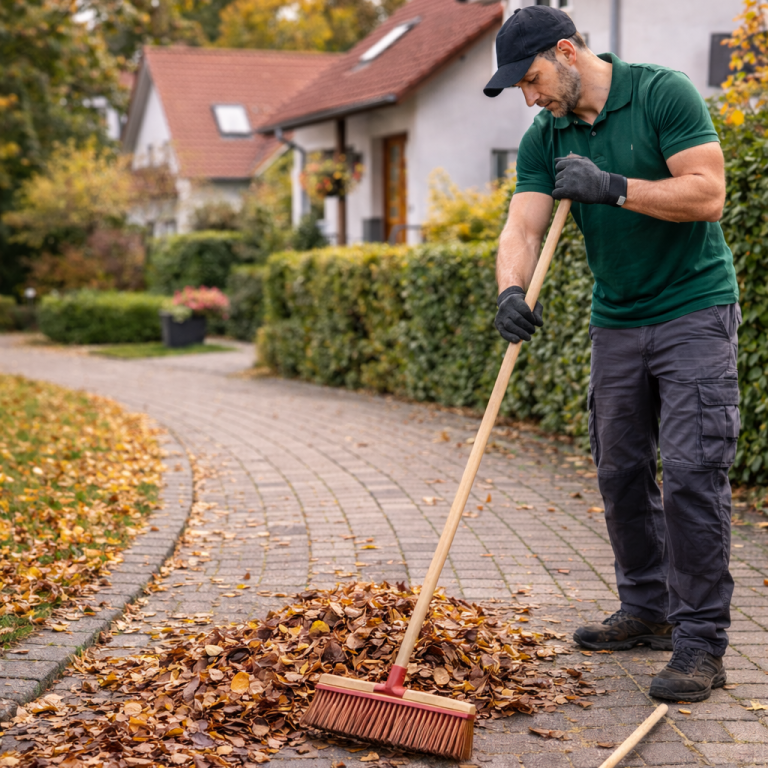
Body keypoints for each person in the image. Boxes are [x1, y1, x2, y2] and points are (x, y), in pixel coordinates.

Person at [485, 5, 740, 703]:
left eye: (532, 79)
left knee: (691, 473)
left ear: (567, 52)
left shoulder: (662, 94)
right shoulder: (547, 135)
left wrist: (615, 188)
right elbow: (522, 226)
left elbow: (708, 193)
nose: (529, 97)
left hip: (694, 309)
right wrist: (511, 289)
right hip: (618, 319)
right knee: (621, 469)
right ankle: (648, 609)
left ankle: (699, 642)